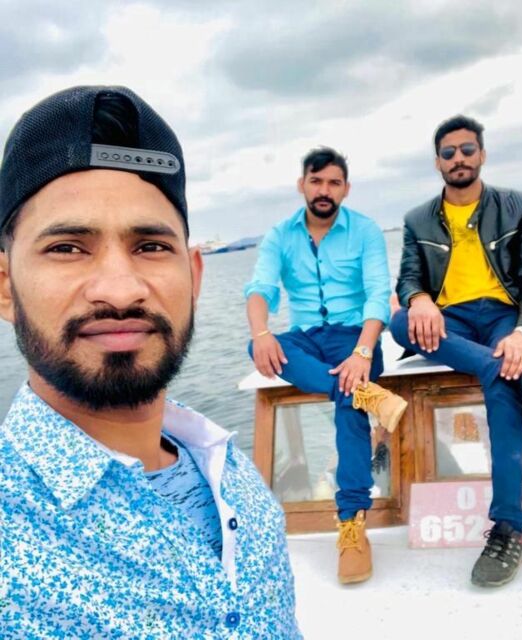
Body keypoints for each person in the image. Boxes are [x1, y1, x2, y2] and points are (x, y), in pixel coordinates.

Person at [0, 86, 301, 638]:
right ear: (5, 286)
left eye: (151, 246)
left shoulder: (232, 476)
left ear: (194, 276)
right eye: (67, 247)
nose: (120, 290)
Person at [390, 115, 522, 587]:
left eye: (467, 149)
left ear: (482, 154)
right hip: (449, 318)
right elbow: (408, 278)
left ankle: (510, 528)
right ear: (437, 162)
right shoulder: (416, 219)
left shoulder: (515, 205)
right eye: (448, 153)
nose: (459, 159)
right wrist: (419, 298)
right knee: (400, 322)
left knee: (503, 383)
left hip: (501, 315)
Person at [245, 147, 407, 585]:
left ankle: (352, 523)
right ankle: (369, 394)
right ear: (302, 184)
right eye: (316, 181)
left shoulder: (365, 231)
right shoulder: (281, 235)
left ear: (345, 189)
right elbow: (260, 289)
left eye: (334, 183)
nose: (324, 190)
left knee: (348, 408)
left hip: (356, 336)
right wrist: (261, 333)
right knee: (258, 346)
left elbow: (378, 295)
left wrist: (363, 352)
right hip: (307, 337)